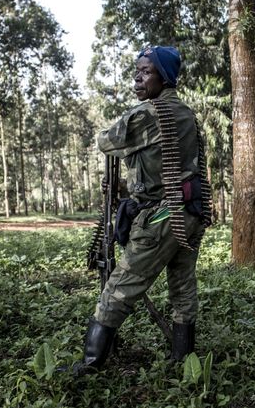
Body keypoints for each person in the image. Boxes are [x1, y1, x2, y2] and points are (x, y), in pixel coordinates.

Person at [74, 46, 210, 375]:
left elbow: (106, 141)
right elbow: (158, 168)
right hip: (189, 212)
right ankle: (184, 361)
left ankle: (91, 364)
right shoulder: (186, 113)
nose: (137, 77)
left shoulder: (151, 113)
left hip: (163, 218)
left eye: (146, 71)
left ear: (164, 77)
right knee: (182, 288)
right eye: (136, 70)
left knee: (119, 287)